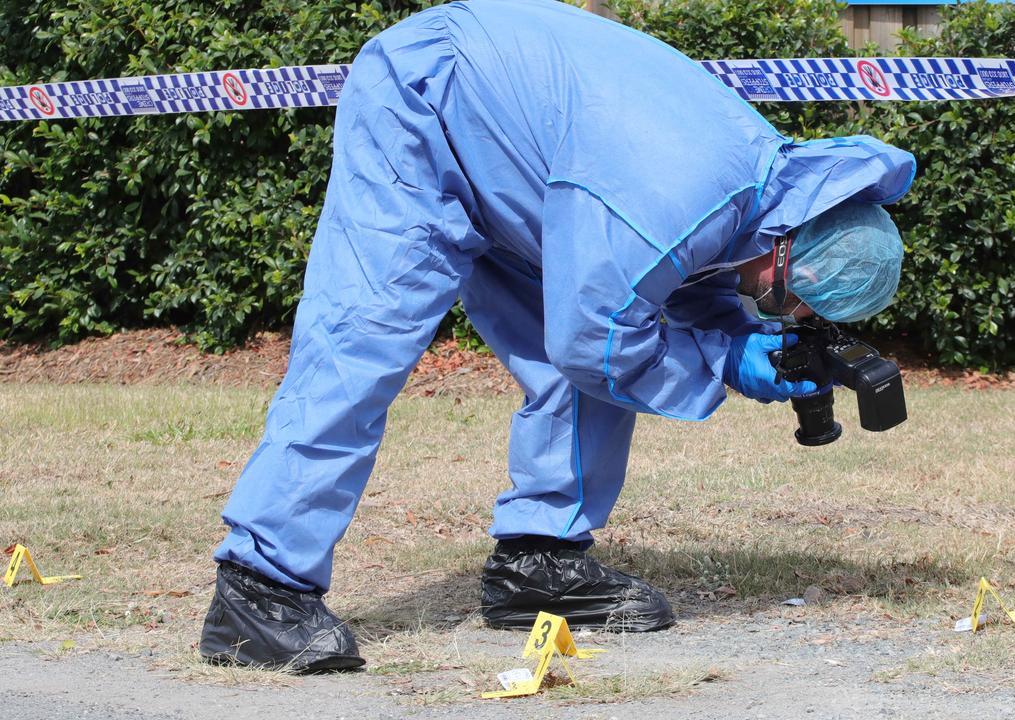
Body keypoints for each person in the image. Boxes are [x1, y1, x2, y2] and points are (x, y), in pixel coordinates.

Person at [198, 0, 915, 672]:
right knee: (364, 341)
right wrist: (721, 364)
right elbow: (600, 341)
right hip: (427, 99)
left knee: (594, 350)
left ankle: (540, 563)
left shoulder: (764, 189)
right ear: (791, 244)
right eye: (788, 298)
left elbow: (685, 270)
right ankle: (259, 589)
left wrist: (732, 335)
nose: (782, 313)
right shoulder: (677, 194)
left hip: (521, 153)